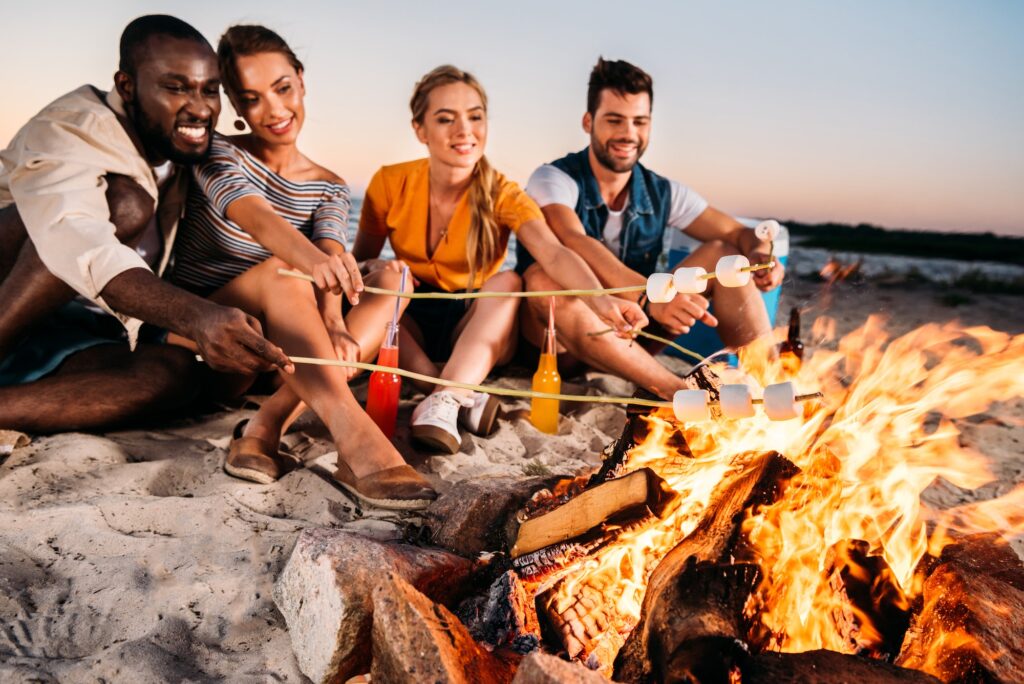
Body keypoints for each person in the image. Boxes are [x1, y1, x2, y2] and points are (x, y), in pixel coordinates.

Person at [165, 24, 435, 508]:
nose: (274, 110)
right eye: (251, 98)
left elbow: (332, 248)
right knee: (280, 269)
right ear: (235, 104)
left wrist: (334, 321)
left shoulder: (329, 186)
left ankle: (264, 425)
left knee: (395, 276)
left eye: (283, 88)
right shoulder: (215, 153)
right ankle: (357, 440)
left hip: (286, 357)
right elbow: (257, 217)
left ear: (302, 80)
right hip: (207, 342)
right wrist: (311, 264)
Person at [0, 15, 292, 434]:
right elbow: (76, 239)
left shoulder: (186, 151)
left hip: (66, 327)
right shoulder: (72, 125)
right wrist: (196, 316)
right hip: (10, 290)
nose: (201, 107)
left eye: (210, 90)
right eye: (175, 87)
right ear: (127, 86)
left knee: (174, 373)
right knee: (127, 206)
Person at [354, 65, 646, 454]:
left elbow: (554, 253)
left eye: (475, 116)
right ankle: (454, 394)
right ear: (420, 130)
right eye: (445, 119)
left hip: (476, 325)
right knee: (384, 286)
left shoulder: (503, 193)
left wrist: (602, 300)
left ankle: (444, 401)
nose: (464, 130)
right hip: (411, 325)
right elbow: (359, 264)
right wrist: (377, 269)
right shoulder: (389, 182)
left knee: (509, 281)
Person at [517, 58, 784, 399]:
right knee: (544, 280)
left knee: (725, 254)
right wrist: (649, 295)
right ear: (588, 122)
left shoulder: (662, 192)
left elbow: (737, 233)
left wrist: (759, 251)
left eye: (639, 122)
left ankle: (772, 384)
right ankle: (679, 394)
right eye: (614, 120)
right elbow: (573, 239)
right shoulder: (553, 178)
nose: (628, 134)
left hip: (636, 332)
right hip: (559, 344)